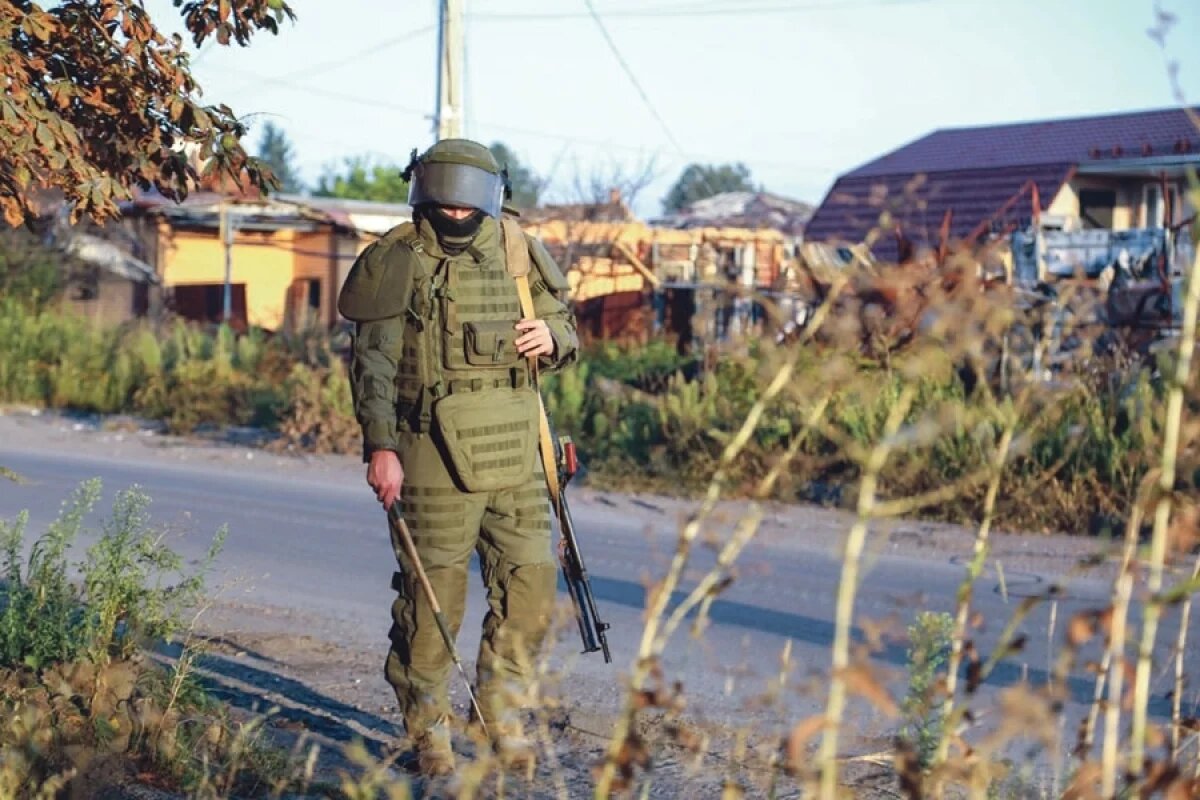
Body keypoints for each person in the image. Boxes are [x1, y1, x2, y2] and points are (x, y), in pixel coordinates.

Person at [336, 138, 578, 776]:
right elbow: (374, 366)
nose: (456, 207)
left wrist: (550, 336)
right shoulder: (399, 258)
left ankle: (502, 714)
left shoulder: (518, 249)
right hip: (428, 450)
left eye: (466, 194)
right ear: (423, 190)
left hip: (516, 445)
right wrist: (381, 446)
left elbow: (568, 330)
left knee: (531, 586)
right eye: (443, 192)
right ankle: (430, 732)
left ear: (490, 194)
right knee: (430, 602)